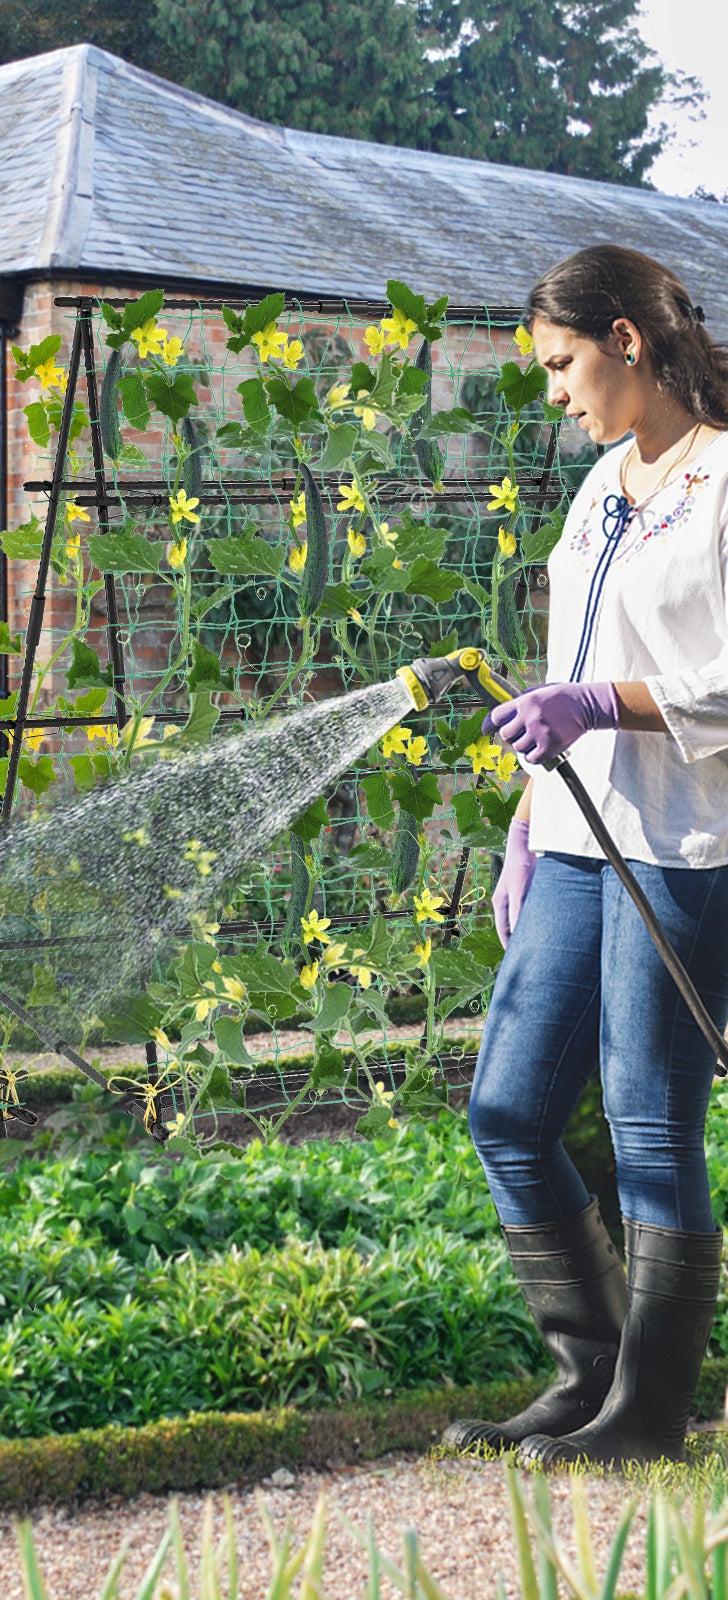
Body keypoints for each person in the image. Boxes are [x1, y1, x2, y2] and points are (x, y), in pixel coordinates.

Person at [441, 244, 728, 1469]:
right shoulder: (603, 483)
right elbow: (568, 659)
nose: (551, 391)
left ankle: (651, 1413)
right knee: (507, 1107)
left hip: (680, 841)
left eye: (561, 364)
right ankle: (588, 1376)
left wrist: (601, 708)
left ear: (625, 340)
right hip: (570, 836)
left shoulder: (722, 483)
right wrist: (520, 819)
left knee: (650, 1119)